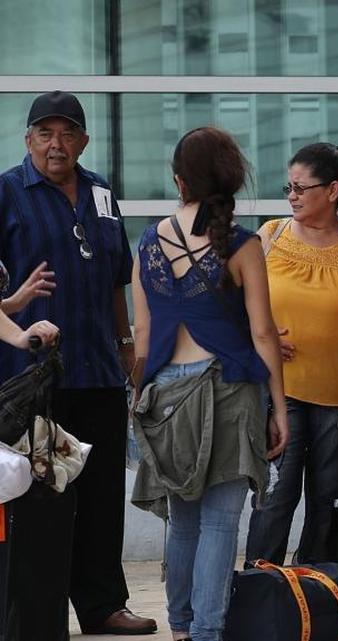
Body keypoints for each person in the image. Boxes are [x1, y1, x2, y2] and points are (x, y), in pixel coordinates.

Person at [0, 90, 158, 637]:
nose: (56, 143)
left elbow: (117, 276)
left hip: (98, 370)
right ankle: (34, 613)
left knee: (99, 495)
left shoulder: (100, 193)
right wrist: (14, 307)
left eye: (67, 133)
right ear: (28, 139)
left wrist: (127, 344)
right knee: (39, 498)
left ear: (84, 140)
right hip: (33, 377)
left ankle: (102, 604)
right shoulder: (8, 191)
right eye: (44, 133)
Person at [130, 126, 289, 641]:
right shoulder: (243, 247)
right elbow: (263, 334)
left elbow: (144, 334)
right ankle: (206, 633)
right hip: (230, 392)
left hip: (167, 396)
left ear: (179, 181)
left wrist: (139, 397)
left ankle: (181, 628)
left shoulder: (148, 244)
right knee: (221, 523)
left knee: (184, 521)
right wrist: (280, 410)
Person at [244, 143, 338, 565]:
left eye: (302, 188)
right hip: (278, 395)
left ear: (333, 190)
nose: (293, 195)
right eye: (289, 187)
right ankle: (259, 596)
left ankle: (319, 599)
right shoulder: (269, 236)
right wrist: (258, 338)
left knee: (328, 505)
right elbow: (233, 308)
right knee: (273, 501)